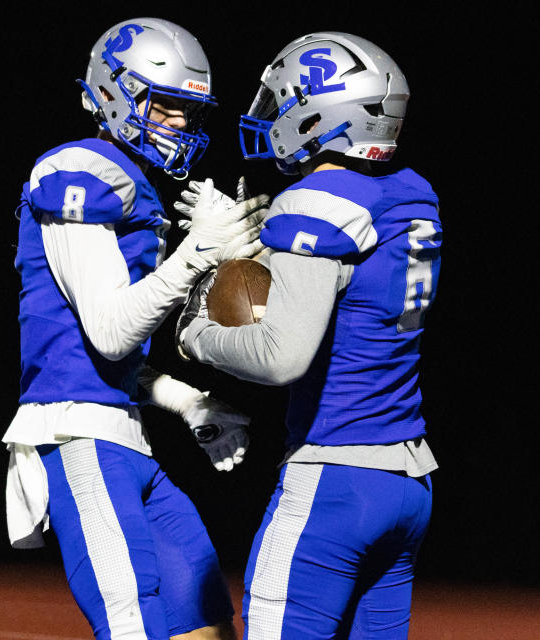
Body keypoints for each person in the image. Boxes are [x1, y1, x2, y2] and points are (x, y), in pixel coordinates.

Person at [2, 18, 270, 640]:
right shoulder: (77, 168)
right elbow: (110, 333)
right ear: (115, 93)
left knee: (203, 615)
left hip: (126, 437)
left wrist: (188, 401)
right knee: (134, 625)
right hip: (76, 433)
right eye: (167, 106)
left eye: (189, 111)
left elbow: (113, 357)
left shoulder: (136, 188)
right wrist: (198, 254)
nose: (180, 123)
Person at [176, 32, 441, 639]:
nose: (271, 115)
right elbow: (359, 285)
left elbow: (280, 357)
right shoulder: (413, 193)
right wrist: (268, 236)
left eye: (283, 100)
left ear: (320, 112)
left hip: (334, 481)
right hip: (409, 479)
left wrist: (196, 334)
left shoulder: (317, 201)